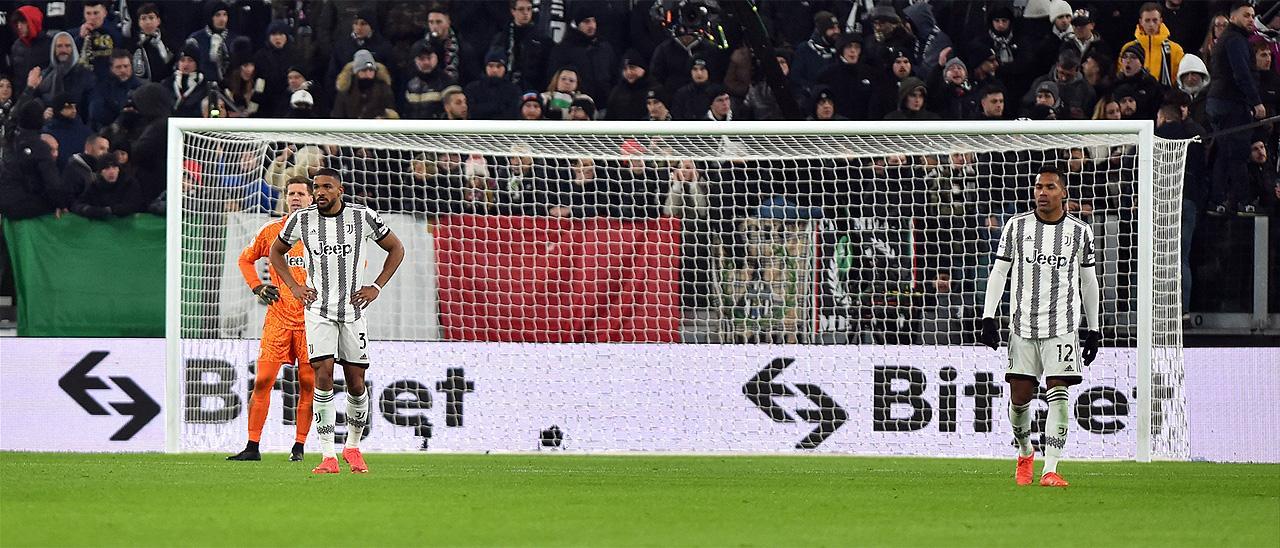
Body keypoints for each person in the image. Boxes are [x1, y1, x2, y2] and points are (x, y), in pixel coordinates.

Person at [271, 168, 405, 474]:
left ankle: (353, 447)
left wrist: (376, 286)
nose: (320, 192)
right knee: (324, 375)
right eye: (316, 187)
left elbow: (396, 248)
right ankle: (328, 455)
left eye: (326, 187)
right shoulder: (302, 220)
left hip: (353, 312)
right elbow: (276, 252)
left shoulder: (363, 217)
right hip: (318, 310)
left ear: (339, 190)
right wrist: (294, 286)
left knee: (357, 382)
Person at [979, 165, 1102, 488]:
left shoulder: (1079, 232)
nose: (1042, 193)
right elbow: (1000, 272)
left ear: (1064, 193)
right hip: (1022, 327)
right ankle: (1024, 451)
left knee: (1058, 392)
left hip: (1062, 326)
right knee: (1020, 399)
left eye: (1049, 187)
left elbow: (1089, 283)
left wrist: (1094, 328)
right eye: (1038, 187)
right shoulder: (1016, 227)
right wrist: (988, 316)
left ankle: (1051, 468)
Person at [227, 177, 316, 462]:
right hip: (278, 318)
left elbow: (353, 264)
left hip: (312, 322)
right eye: (291, 193)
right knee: (263, 380)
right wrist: (257, 286)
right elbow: (244, 259)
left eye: (301, 193)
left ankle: (299, 447)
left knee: (308, 383)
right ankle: (252, 446)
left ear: (311, 199)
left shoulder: (324, 234)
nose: (295, 197)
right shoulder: (271, 231)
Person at [1206, 2, 1265, 216]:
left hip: (1219, 101)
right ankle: (1242, 201)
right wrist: (1256, 102)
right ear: (1233, 17)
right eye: (1246, 15)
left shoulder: (1228, 39)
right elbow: (1242, 73)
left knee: (1224, 152)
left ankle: (1218, 200)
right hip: (1231, 103)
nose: (1251, 19)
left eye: (1253, 15)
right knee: (1238, 153)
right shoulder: (1235, 40)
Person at [1117, 2, 1185, 87]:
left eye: (1155, 20)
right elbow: (1121, 76)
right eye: (1147, 20)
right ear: (1141, 22)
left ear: (1161, 21)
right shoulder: (1128, 48)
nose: (1151, 25)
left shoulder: (1175, 50)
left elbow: (1178, 80)